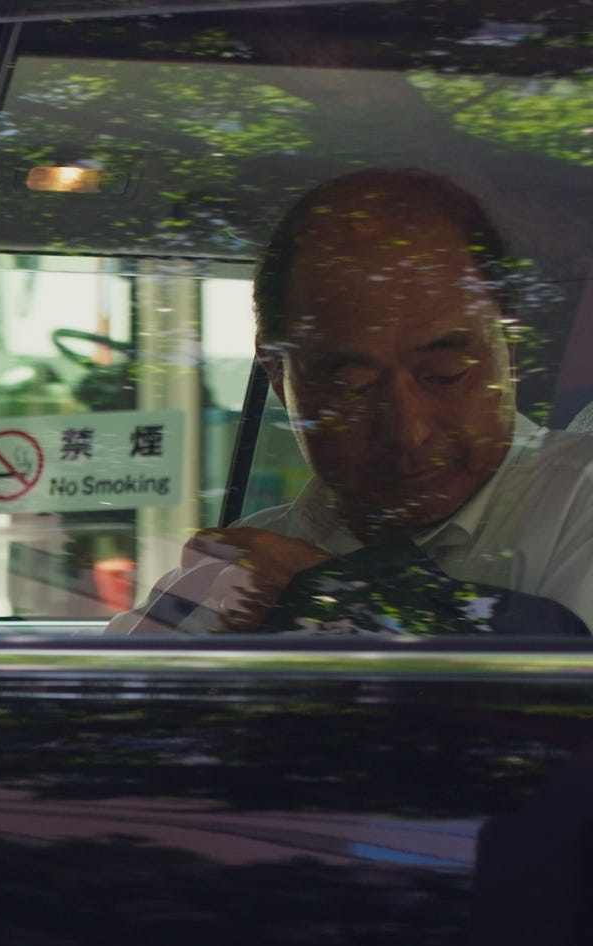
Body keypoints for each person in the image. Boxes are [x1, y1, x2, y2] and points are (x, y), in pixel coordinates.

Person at [113, 168, 593, 636]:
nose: (408, 431)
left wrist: (332, 593)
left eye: (445, 375)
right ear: (277, 374)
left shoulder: (578, 501)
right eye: (353, 386)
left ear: (509, 348)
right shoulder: (251, 559)